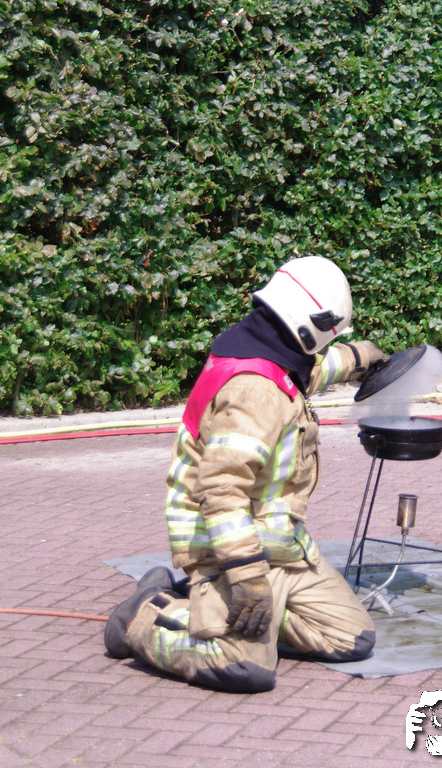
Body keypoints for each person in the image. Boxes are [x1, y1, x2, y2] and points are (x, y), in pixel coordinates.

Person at [104, 256, 387, 692]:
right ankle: (145, 617)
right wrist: (247, 575)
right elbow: (221, 490)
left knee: (352, 638)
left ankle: (228, 614)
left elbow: (309, 372)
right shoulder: (254, 390)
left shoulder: (266, 352)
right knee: (244, 669)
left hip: (281, 547)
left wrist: (361, 357)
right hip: (233, 552)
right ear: (312, 325)